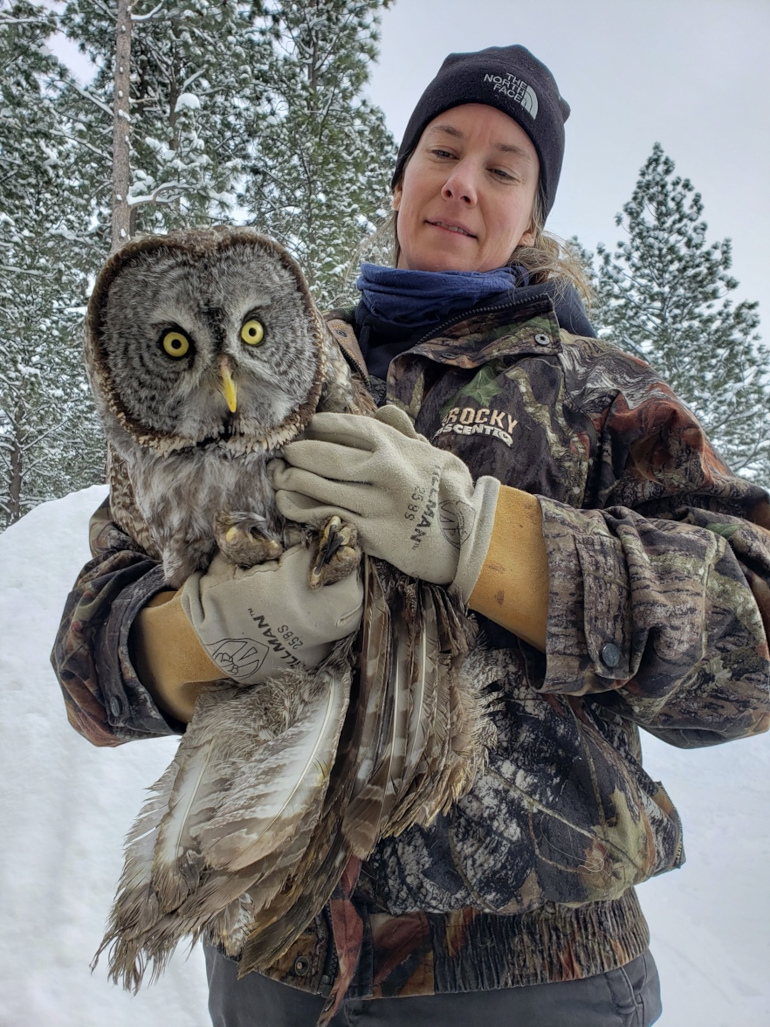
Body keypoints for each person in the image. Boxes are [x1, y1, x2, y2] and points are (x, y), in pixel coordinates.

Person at [52, 44, 770, 1027]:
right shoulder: (261, 361)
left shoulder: (599, 387)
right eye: (441, 149)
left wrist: (486, 540)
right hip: (272, 961)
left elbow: (753, 647)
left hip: (529, 977)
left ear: (531, 217)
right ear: (398, 181)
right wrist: (219, 630)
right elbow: (93, 664)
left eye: (502, 168)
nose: (462, 184)